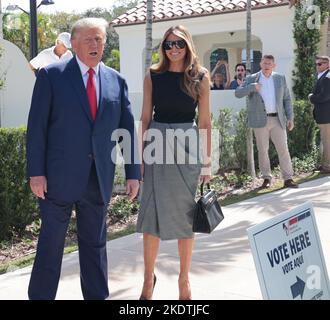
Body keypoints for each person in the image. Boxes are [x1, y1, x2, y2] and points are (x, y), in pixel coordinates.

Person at [26, 18, 140, 300]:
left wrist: (133, 173)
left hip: (97, 179)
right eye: (88, 39)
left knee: (96, 248)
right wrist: (36, 173)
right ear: (73, 43)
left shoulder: (117, 81)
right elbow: (36, 128)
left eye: (99, 39)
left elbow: (127, 130)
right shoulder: (51, 76)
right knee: (50, 248)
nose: (95, 44)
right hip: (57, 181)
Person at [137, 25, 212, 300]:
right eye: (169, 44)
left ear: (187, 45)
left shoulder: (200, 77)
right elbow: (144, 118)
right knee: (150, 214)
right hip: (156, 145)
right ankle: (147, 280)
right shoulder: (153, 76)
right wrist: (139, 158)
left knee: (185, 217)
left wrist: (206, 163)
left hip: (187, 148)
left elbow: (204, 122)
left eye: (179, 44)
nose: (174, 49)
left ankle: (184, 280)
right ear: (163, 48)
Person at [235, 54, 298, 189]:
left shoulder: (280, 78)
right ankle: (267, 178)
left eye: (269, 63)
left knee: (283, 149)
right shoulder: (252, 78)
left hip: (277, 119)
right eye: (264, 63)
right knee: (263, 150)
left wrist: (290, 118)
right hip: (259, 121)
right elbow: (238, 93)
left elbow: (286, 99)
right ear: (260, 64)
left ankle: (288, 178)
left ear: (274, 65)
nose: (266, 66)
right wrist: (252, 87)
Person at [308, 55, 330, 173]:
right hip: (325, 115)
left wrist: (312, 98)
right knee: (326, 140)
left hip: (326, 115)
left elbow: (325, 96)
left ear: (327, 64)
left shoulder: (327, 76)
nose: (317, 66)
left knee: (327, 141)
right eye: (316, 64)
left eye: (320, 64)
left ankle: (327, 166)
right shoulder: (324, 76)